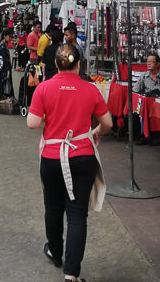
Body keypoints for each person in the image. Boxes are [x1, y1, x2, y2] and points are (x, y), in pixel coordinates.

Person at [27, 44, 113, 282]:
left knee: (53, 209)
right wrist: (96, 131)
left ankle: (55, 252)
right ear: (79, 64)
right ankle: (71, 275)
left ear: (56, 64)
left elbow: (32, 123)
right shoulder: (90, 89)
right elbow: (108, 123)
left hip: (52, 158)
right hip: (82, 156)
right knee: (76, 216)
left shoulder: (44, 88)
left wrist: (48, 115)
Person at [0, 27, 14, 102]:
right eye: (9, 36)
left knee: (0, 84)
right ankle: (0, 100)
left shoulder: (1, 44)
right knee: (3, 85)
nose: (10, 38)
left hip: (0, 68)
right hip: (3, 69)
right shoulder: (3, 46)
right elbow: (5, 60)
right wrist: (8, 70)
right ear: (4, 36)